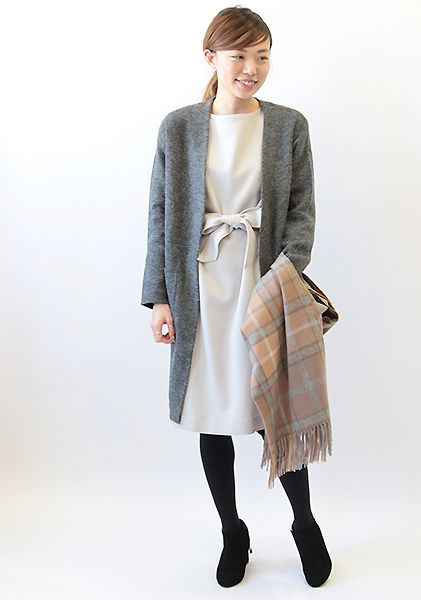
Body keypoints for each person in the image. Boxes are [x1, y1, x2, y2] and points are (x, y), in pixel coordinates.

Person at [141, 5, 332, 588]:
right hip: (200, 290)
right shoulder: (178, 127)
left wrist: (283, 275)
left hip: (263, 283)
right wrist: (159, 297)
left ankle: (304, 524)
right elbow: (159, 214)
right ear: (212, 57)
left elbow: (301, 210)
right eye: (240, 55)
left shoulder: (288, 125)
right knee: (214, 415)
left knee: (275, 413)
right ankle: (232, 532)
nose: (252, 68)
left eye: (263, 56)